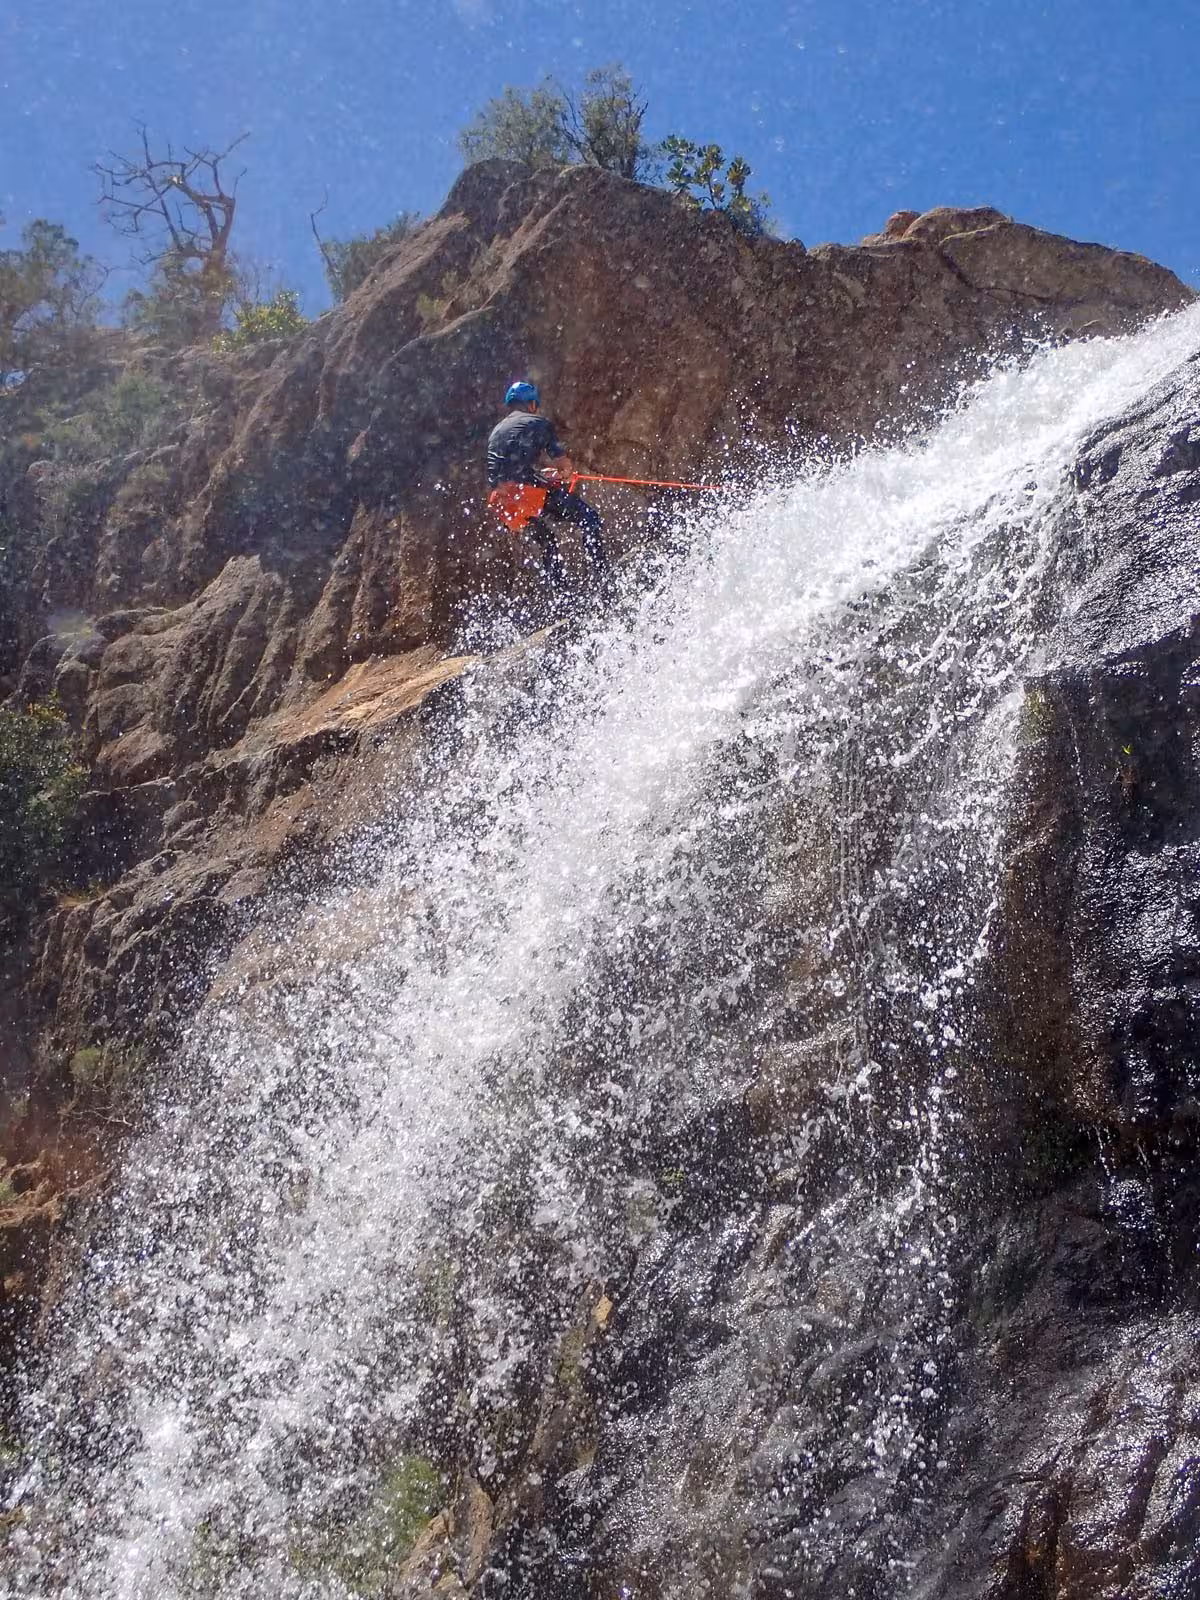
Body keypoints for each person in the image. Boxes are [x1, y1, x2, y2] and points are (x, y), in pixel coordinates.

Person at [486, 381, 607, 589]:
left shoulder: (496, 432)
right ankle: (603, 580)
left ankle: (561, 596)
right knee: (589, 519)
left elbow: (509, 471)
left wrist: (542, 477)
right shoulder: (538, 423)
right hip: (528, 494)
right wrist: (563, 475)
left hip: (503, 503)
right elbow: (563, 466)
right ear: (532, 404)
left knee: (546, 540)